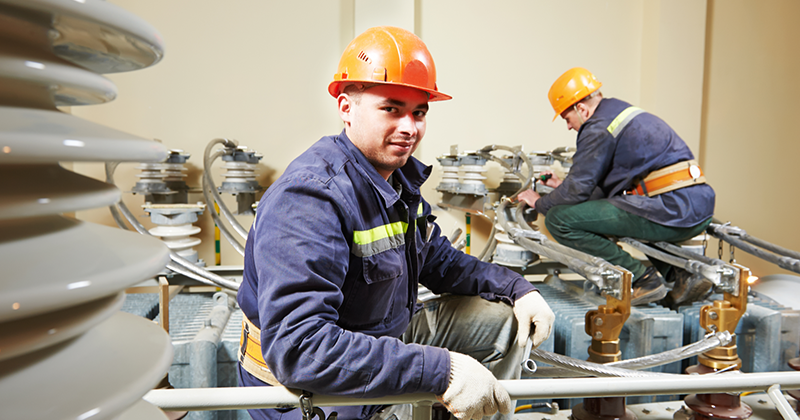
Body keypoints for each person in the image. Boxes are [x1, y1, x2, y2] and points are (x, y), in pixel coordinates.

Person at [237, 26, 555, 420]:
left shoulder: (394, 180)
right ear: (346, 108)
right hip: (311, 390)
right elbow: (303, 350)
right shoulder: (309, 198)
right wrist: (442, 371)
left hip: (378, 339)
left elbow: (439, 261)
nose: (410, 128)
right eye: (391, 109)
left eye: (419, 112)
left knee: (503, 321)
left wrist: (517, 289)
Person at [517, 67, 716, 306]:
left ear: (581, 109)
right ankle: (681, 275)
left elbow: (578, 190)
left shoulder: (598, 127)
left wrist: (539, 202)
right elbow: (602, 186)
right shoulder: (618, 113)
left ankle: (640, 279)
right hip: (692, 205)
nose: (568, 126)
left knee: (558, 219)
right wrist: (563, 186)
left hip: (672, 209)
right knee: (615, 212)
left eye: (566, 118)